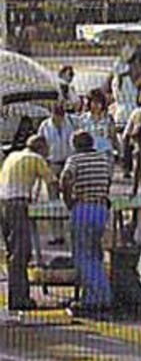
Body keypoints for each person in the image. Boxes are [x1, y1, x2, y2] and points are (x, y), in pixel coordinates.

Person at [60, 131, 112, 316]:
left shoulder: (75, 160)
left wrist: (68, 200)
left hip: (83, 207)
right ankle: (94, 293)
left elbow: (65, 179)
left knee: (83, 255)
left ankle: (97, 298)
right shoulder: (103, 159)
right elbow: (109, 180)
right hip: (101, 208)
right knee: (95, 253)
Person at [1, 136, 54, 312]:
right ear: (41, 148)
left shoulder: (13, 156)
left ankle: (16, 295)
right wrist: (58, 205)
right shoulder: (36, 159)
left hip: (4, 203)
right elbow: (52, 183)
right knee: (21, 251)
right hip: (17, 204)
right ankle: (19, 299)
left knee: (13, 251)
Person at [39, 100, 77, 185]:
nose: (59, 119)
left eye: (61, 116)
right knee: (53, 188)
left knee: (68, 188)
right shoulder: (44, 125)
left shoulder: (71, 122)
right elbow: (40, 144)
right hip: (52, 163)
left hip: (68, 162)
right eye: (56, 115)